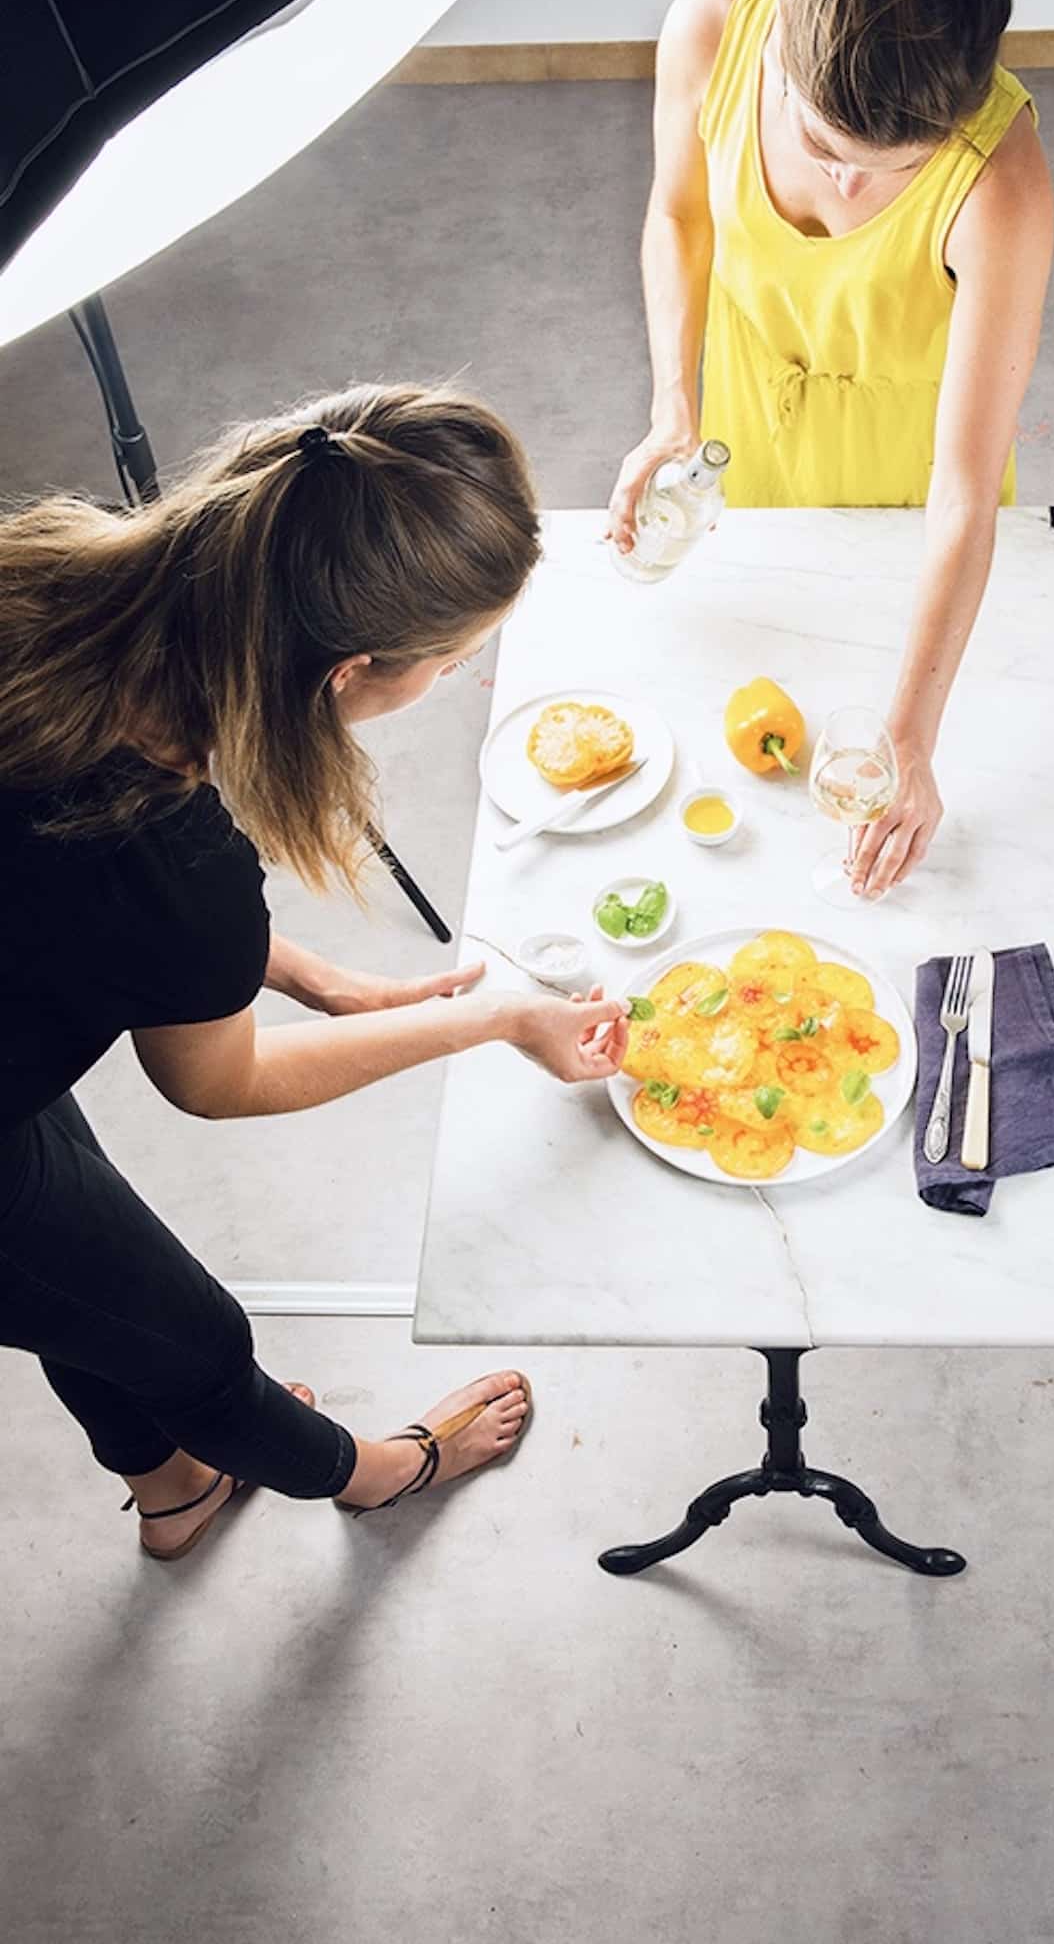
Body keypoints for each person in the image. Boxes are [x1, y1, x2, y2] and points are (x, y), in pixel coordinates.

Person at [0, 384, 628, 1559]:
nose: (455, 680)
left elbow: (93, 913)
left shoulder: (57, 568)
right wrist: (493, 1019)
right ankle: (376, 1477)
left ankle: (171, 1487)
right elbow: (219, 1083)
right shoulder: (173, 857)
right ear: (351, 671)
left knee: (76, 1290)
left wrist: (314, 981)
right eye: (455, 659)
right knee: (191, 1343)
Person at [607, 0, 1054, 900]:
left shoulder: (1004, 184)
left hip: (911, 475)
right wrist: (675, 406)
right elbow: (677, 218)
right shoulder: (712, 25)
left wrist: (908, 741)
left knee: (916, 717)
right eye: (819, 145)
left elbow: (962, 494)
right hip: (749, 428)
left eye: (889, 170)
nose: (849, 186)